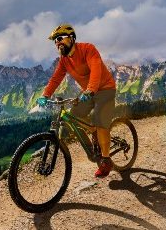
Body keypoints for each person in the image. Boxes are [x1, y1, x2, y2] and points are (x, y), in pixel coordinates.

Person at [36, 23, 117, 178]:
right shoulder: (64, 60)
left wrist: (91, 89)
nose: (57, 43)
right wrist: (45, 95)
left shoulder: (88, 49)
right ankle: (93, 144)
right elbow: (56, 78)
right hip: (88, 92)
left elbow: (96, 69)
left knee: (100, 121)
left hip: (105, 89)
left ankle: (106, 160)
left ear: (71, 38)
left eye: (60, 38)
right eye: (55, 41)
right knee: (73, 117)